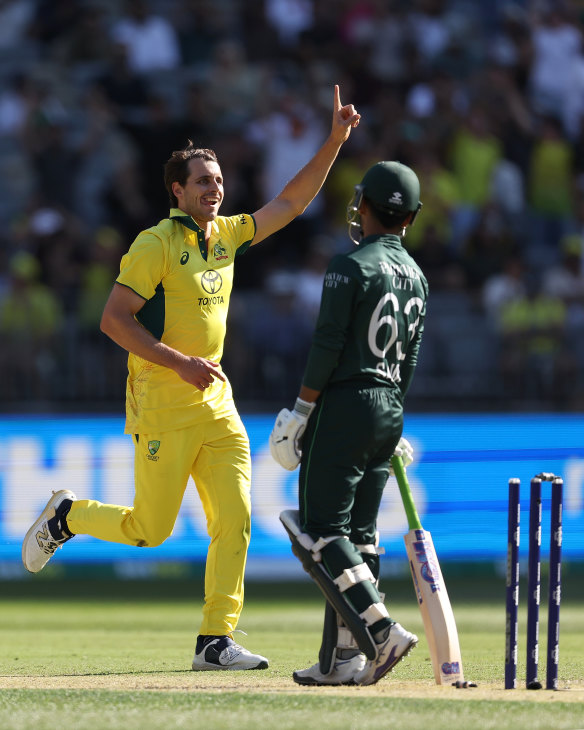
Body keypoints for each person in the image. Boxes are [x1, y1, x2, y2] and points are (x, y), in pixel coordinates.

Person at [22, 85, 360, 672]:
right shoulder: (154, 244)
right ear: (177, 190)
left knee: (236, 518)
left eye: (220, 180)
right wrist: (177, 361)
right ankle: (67, 516)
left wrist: (333, 140)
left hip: (216, 401)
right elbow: (112, 320)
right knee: (149, 530)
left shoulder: (226, 235)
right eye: (203, 181)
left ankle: (215, 639)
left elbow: (290, 203)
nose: (215, 189)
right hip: (161, 401)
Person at [270, 160, 428, 686]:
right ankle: (343, 659)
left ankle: (380, 633)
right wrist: (393, 420)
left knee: (317, 530)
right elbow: (407, 362)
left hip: (344, 404)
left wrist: (301, 411)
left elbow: (327, 345)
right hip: (389, 407)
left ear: (364, 205)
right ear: (411, 217)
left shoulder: (350, 264)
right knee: (359, 539)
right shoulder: (419, 279)